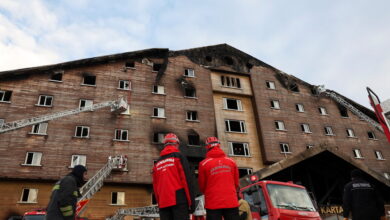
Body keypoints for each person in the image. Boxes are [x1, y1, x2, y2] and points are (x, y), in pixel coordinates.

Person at [152, 133, 195, 220]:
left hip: (163, 203)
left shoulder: (157, 164)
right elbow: (186, 180)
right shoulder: (179, 157)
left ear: (165, 145)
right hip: (179, 201)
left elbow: (155, 187)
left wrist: (159, 203)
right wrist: (191, 203)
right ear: (176, 144)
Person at [198, 137, 240, 220]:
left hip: (213, 203)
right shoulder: (231, 162)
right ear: (219, 145)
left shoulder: (203, 164)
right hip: (231, 201)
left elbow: (202, 186)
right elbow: (236, 183)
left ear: (207, 147)